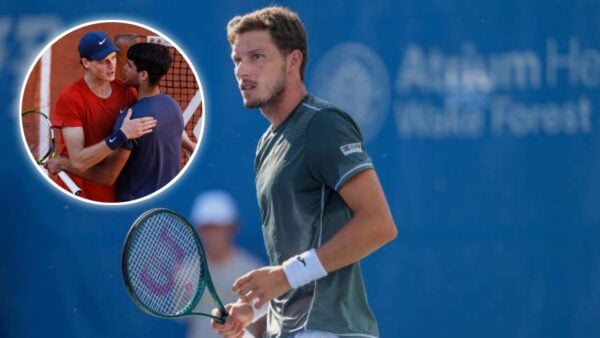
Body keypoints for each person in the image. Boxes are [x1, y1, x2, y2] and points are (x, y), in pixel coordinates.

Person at [211, 6, 398, 338]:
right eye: (237, 60)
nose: (243, 71)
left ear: (293, 61)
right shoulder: (267, 145)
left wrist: (283, 276)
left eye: (257, 57)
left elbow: (379, 225)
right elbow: (295, 263)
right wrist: (254, 306)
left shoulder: (323, 124)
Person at [49, 41, 184, 201]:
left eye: (127, 64)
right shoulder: (173, 106)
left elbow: (107, 176)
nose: (117, 67)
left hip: (133, 200)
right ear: (86, 63)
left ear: (143, 75)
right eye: (103, 61)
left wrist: (63, 163)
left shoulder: (130, 117)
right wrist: (190, 146)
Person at [184, 190, 266, 338]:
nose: (212, 234)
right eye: (207, 228)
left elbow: (262, 323)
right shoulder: (184, 272)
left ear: (232, 228)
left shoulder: (252, 270)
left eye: (218, 227)